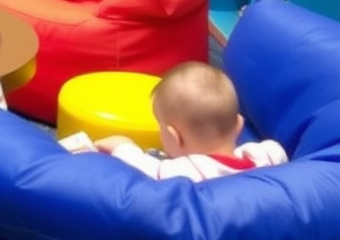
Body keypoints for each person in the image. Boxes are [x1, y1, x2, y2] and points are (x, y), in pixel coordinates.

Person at [86, 60, 288, 181]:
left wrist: (123, 147)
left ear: (174, 137)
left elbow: (148, 168)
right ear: (239, 124)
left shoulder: (189, 172)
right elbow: (276, 149)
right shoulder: (266, 156)